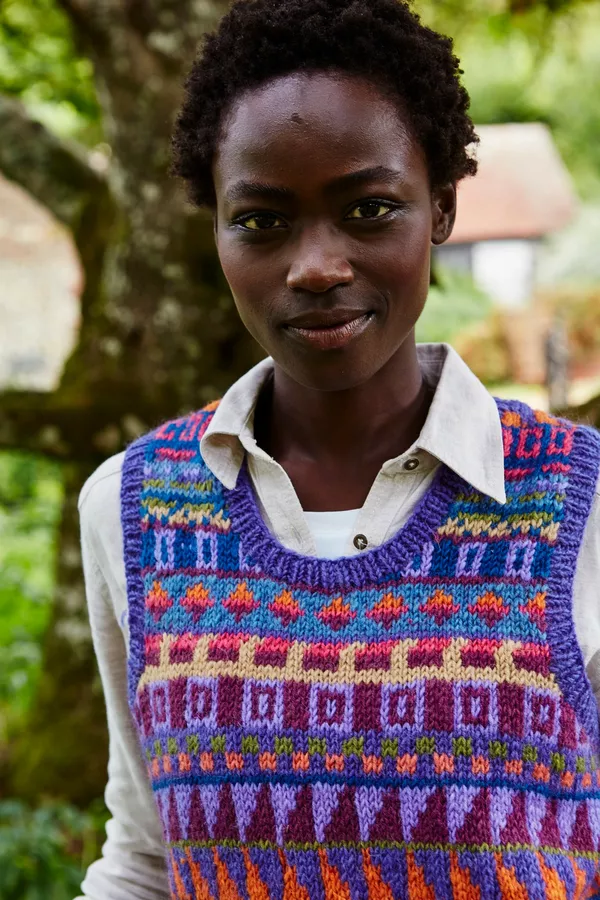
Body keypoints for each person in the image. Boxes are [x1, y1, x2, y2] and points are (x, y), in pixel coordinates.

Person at [76, 0, 600, 897]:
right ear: (214, 229)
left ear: (439, 209)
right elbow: (147, 856)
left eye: (368, 207)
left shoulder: (574, 505)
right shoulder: (131, 505)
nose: (315, 266)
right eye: (261, 221)